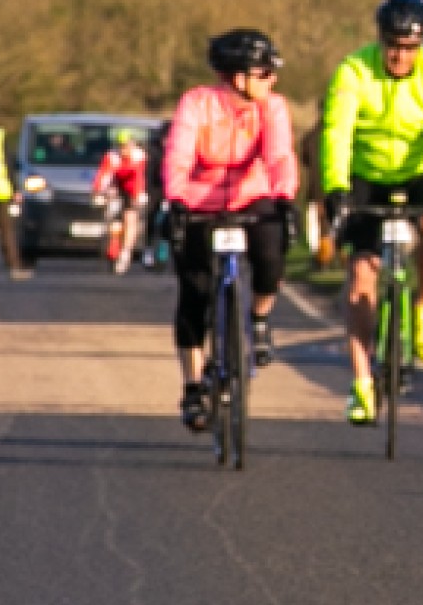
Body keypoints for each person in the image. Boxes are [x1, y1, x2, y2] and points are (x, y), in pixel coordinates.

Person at [320, 0, 423, 425]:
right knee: (360, 280)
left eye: (410, 47)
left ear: (422, 43)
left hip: (422, 170)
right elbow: (337, 132)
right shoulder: (354, 70)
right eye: (392, 44)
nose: (400, 55)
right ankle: (361, 383)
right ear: (380, 38)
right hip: (367, 173)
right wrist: (335, 186)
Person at [162, 32, 297, 431]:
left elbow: (279, 155)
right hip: (197, 201)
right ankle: (192, 385)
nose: (272, 79)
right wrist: (176, 202)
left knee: (272, 256)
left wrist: (286, 198)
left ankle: (258, 320)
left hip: (250, 195)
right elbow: (179, 154)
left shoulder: (272, 107)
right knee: (195, 291)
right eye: (264, 72)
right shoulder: (197, 103)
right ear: (237, 78)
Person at [91, 127, 151, 274]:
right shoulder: (112, 156)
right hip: (116, 188)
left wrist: (140, 194)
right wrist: (98, 192)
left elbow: (140, 177)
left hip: (132, 190)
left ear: (132, 144)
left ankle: (126, 252)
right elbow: (103, 175)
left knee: (131, 218)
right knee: (113, 217)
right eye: (121, 146)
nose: (124, 149)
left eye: (127, 145)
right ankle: (113, 244)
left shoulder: (139, 156)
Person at [0, 97, 28, 281]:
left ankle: (14, 265)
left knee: (7, 231)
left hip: (0, 190)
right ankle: (14, 266)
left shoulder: (0, 137)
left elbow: (9, 164)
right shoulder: (0, 136)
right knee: (6, 231)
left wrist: (16, 189)